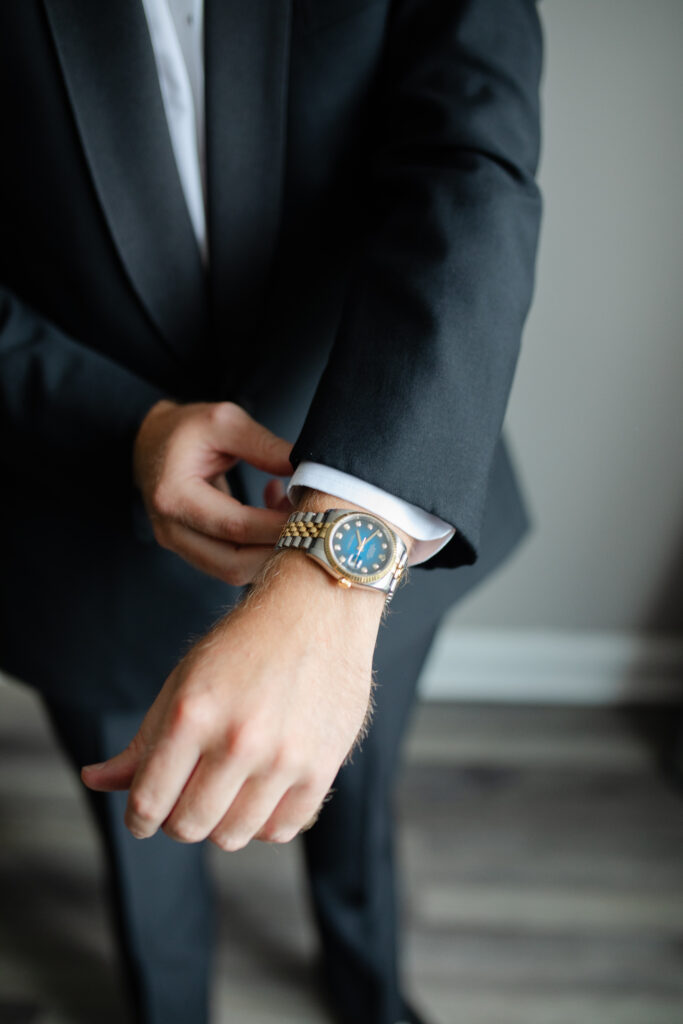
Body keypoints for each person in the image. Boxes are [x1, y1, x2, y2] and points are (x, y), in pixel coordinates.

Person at [0, 1, 543, 1022]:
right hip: (77, 511)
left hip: (376, 454)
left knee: (362, 785)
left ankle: (368, 983)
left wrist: (339, 564)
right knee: (141, 822)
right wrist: (125, 427)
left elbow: (470, 167)